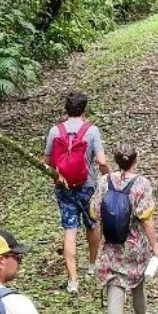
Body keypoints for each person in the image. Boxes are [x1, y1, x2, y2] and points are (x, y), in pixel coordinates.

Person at [90, 144, 158, 314]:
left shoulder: (105, 182)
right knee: (138, 284)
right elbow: (146, 218)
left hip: (112, 245)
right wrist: (155, 246)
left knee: (116, 287)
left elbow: (94, 211)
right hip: (135, 246)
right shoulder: (142, 184)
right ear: (135, 160)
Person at [44, 91, 109, 293]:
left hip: (63, 186)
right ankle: (92, 265)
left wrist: (57, 176)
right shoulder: (92, 131)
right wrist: (108, 177)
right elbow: (102, 161)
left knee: (70, 230)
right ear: (84, 109)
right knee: (92, 224)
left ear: (66, 108)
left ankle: (73, 281)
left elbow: (47, 162)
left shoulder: (55, 131)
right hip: (87, 185)